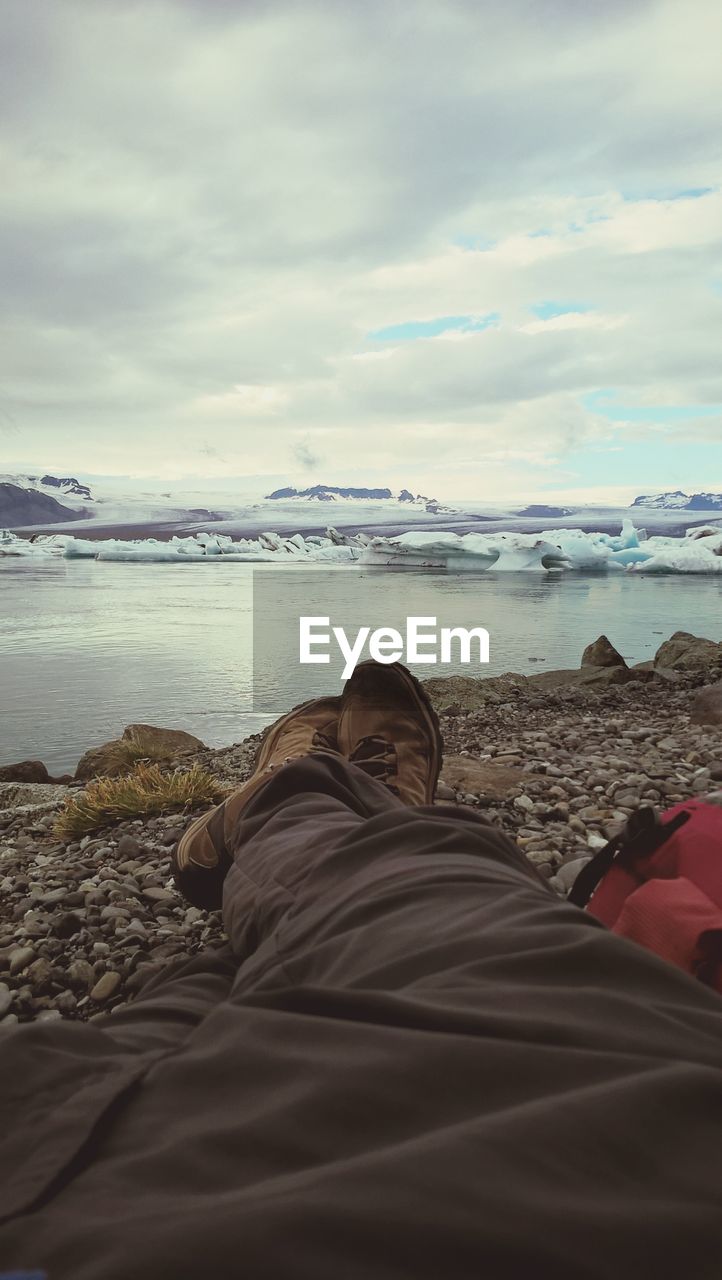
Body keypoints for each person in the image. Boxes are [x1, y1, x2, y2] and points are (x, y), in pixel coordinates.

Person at [1, 661, 722, 1279]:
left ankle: (287, 799)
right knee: (429, 918)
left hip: (63, 1167)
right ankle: (364, 813)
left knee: (354, 914)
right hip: (626, 1121)